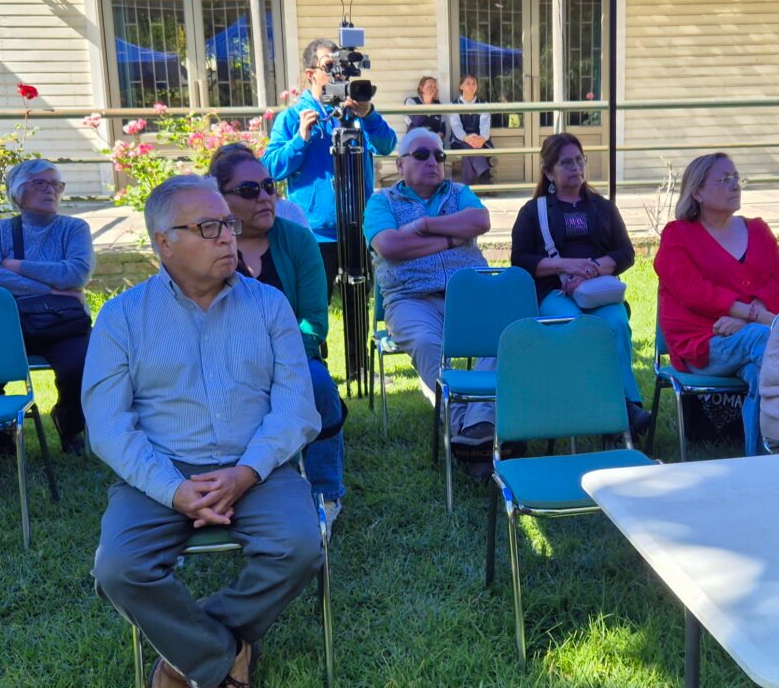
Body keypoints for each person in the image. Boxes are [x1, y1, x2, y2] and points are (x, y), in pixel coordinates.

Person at [85, 175, 323, 688]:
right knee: (119, 568)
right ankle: (224, 653)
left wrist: (246, 472)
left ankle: (185, 654)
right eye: (209, 227)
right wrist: (172, 489)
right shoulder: (121, 317)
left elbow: (295, 407)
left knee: (300, 546)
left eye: (228, 225)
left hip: (256, 464)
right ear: (164, 242)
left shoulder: (269, 306)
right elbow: (107, 424)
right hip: (160, 467)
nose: (227, 237)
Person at [208, 143, 346, 536]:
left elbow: (313, 322)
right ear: (221, 199)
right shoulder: (210, 245)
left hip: (293, 355)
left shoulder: (298, 240)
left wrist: (275, 359)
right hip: (222, 359)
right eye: (249, 190)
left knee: (318, 384)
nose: (265, 197)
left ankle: (325, 491)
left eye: (269, 186)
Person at [363, 127, 496, 479]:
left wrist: (422, 225)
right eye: (421, 155)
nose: (432, 162)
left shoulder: (459, 192)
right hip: (410, 298)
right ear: (400, 164)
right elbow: (389, 246)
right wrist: (452, 239)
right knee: (426, 343)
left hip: (468, 295)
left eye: (439, 155)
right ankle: (469, 430)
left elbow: (480, 220)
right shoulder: (382, 202)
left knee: (501, 337)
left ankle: (475, 426)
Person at [511, 133, 652, 436]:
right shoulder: (533, 212)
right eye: (566, 163)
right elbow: (520, 260)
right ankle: (618, 411)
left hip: (598, 290)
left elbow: (625, 253)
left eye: (579, 160)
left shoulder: (604, 208)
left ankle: (625, 408)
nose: (575, 167)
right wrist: (565, 266)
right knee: (576, 327)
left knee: (616, 324)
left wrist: (591, 269)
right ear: (549, 172)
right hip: (554, 291)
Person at [654, 152, 779, 456]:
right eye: (723, 180)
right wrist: (753, 316)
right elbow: (694, 292)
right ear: (697, 192)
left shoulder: (758, 231)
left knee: (760, 372)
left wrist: (747, 319)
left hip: (753, 333)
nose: (734, 185)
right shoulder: (677, 236)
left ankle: (759, 463)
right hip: (702, 341)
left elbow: (776, 279)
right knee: (765, 340)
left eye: (735, 177)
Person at [0, 158, 94, 456]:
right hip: (9, 323)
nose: (50, 190)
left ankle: (69, 424)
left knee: (81, 365)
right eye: (40, 183)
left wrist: (17, 266)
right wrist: (52, 290)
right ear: (18, 192)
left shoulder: (75, 228)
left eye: (56, 184)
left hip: (62, 323)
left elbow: (76, 274)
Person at [263, 38, 397, 298]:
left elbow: (387, 145)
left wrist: (369, 116)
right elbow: (271, 168)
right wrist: (300, 139)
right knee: (314, 305)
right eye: (329, 66)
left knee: (359, 303)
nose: (338, 74)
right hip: (315, 233)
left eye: (342, 67)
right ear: (310, 74)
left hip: (358, 227)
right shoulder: (292, 117)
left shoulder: (357, 113)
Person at [448, 74, 494, 185]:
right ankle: (484, 174)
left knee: (468, 150)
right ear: (461, 86)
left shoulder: (483, 104)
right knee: (467, 146)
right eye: (468, 83)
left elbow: (485, 125)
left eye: (474, 83)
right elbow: (456, 126)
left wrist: (481, 139)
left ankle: (467, 185)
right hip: (460, 141)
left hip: (480, 141)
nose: (471, 86)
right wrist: (467, 138)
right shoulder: (454, 105)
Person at [404, 75, 445, 139]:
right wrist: (427, 103)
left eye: (434, 87)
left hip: (433, 140)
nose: (433, 89)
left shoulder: (438, 104)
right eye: (429, 86)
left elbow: (442, 128)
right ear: (421, 88)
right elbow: (417, 121)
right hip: (415, 139)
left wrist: (439, 135)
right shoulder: (411, 101)